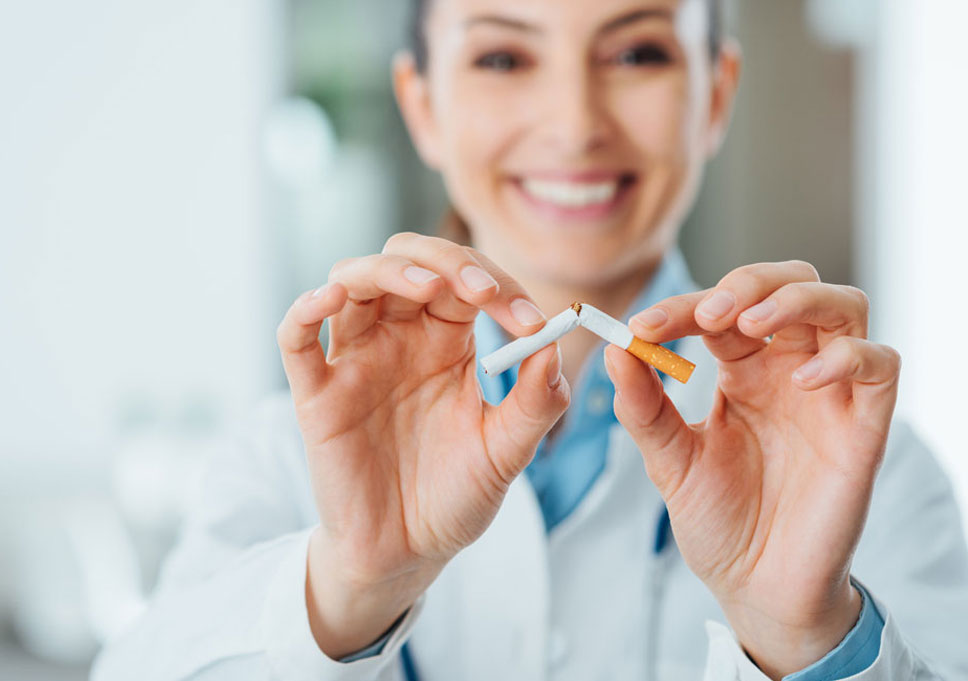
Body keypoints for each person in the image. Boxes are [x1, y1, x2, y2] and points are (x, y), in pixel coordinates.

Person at [91, 0, 968, 679]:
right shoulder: (282, 462)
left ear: (717, 96)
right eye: (503, 56)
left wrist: (807, 638)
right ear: (422, 105)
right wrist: (348, 589)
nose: (575, 123)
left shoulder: (866, 474)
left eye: (637, 52)